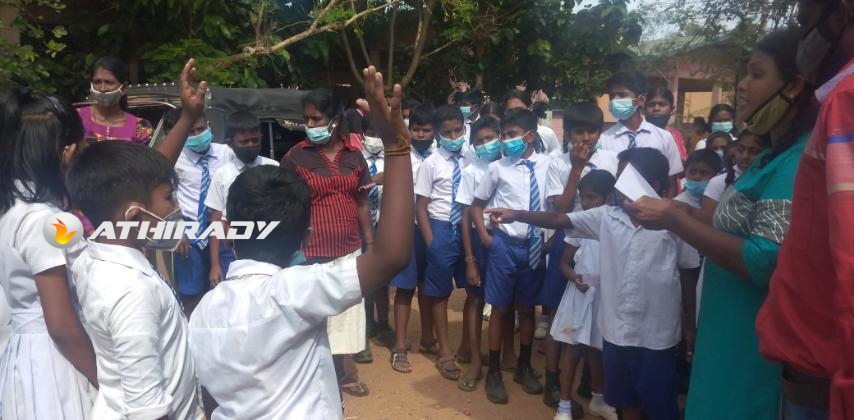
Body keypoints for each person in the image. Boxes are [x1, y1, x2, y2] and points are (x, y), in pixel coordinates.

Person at [187, 67, 414, 420]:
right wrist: (396, 145)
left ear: (231, 233)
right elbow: (393, 255)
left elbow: (209, 396)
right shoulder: (296, 292)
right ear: (306, 236)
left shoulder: (202, 311)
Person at [623, 28, 816, 420]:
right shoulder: (767, 158)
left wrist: (674, 219)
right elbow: (724, 226)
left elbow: (764, 259)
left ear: (794, 86)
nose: (742, 86)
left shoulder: (796, 162)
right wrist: (673, 210)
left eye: (757, 74)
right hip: (724, 330)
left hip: (752, 341)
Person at [488, 147, 700, 420]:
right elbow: (557, 219)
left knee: (659, 404)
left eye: (626, 177)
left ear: (655, 184)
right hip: (615, 331)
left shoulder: (675, 223)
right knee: (625, 401)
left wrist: (689, 324)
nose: (618, 185)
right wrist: (516, 214)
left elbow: (687, 273)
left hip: (657, 335)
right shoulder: (606, 217)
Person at [65, 58, 211, 420]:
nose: (176, 208)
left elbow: (148, 174)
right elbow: (147, 408)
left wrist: (187, 117)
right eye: (170, 199)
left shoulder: (92, 259)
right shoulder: (132, 292)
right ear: (133, 214)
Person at [756, 1, 854, 418]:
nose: (804, 40)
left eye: (805, 23)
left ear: (838, 16)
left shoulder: (846, 102)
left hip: (825, 374)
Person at [0, 87, 97, 419]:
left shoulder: (11, 208)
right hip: (58, 364)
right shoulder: (48, 221)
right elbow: (61, 324)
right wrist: (107, 380)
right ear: (66, 152)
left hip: (24, 354)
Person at [281, 88, 373, 398]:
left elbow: (362, 203)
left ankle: (342, 373)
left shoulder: (354, 156)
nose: (309, 124)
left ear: (334, 120)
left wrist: (370, 244)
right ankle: (313, 377)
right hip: (310, 253)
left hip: (349, 249)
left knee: (345, 315)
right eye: (306, 118)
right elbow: (286, 204)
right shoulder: (295, 157)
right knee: (313, 317)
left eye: (316, 118)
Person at [541, 101, 619, 413]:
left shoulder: (611, 159)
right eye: (579, 131)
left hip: (603, 242)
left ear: (600, 132)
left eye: (592, 131)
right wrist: (576, 168)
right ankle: (553, 380)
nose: (585, 137)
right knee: (559, 315)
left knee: (597, 316)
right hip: (568, 238)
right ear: (568, 133)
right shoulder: (557, 164)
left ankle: (593, 386)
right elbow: (560, 210)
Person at [470, 108, 550, 404]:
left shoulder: (548, 166)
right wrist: (485, 237)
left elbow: (555, 206)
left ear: (530, 136)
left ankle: (524, 365)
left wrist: (550, 240)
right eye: (504, 135)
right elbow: (476, 205)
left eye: (512, 135)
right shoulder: (498, 168)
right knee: (500, 309)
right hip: (504, 244)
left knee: (527, 309)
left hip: (534, 246)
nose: (505, 140)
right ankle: (494, 372)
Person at [551, 170, 618, 420]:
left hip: (605, 294)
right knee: (573, 348)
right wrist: (575, 278)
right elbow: (564, 264)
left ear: (608, 197)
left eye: (592, 197)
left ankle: (599, 399)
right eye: (583, 198)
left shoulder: (616, 224)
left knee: (597, 349)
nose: (586, 203)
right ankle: (564, 405)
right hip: (580, 294)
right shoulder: (579, 224)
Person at [415, 105, 471, 382]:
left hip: (467, 228)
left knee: (473, 287)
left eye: (457, 130)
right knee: (439, 292)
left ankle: (468, 345)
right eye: (447, 132)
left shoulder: (471, 158)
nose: (453, 136)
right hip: (440, 227)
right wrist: (431, 242)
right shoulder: (431, 163)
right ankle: (445, 350)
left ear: (464, 128)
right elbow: (421, 206)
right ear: (438, 133)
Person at [455, 115, 503, 392]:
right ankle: (474, 359)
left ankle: (506, 354)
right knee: (475, 298)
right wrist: (470, 258)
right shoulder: (472, 171)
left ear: (500, 137)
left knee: (504, 301)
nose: (486, 144)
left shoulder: (511, 166)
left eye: (490, 138)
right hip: (479, 238)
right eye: (480, 141)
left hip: (505, 238)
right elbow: (465, 217)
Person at [171, 107, 235, 316]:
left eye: (201, 129)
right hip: (189, 228)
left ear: (209, 126)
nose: (197, 135)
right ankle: (193, 328)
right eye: (191, 131)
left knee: (226, 286)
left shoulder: (226, 153)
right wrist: (176, 229)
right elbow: (168, 195)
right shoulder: (176, 158)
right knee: (191, 291)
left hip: (222, 227)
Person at [388, 103, 438, 374]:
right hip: (407, 228)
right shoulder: (402, 154)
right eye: (416, 129)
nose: (420, 134)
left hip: (433, 227)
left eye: (426, 130)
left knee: (429, 286)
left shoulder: (440, 156)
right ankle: (399, 345)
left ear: (434, 131)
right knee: (405, 287)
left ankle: (429, 338)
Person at [204, 110, 279, 287]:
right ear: (230, 144)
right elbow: (215, 221)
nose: (251, 145)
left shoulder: (273, 168)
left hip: (268, 245)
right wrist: (215, 265)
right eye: (244, 142)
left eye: (255, 140)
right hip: (231, 249)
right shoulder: (222, 175)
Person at [597, 70, 684, 196]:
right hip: (616, 205)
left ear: (641, 100)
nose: (615, 100)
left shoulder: (664, 137)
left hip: (654, 205)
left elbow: (672, 185)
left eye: (622, 95)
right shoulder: (604, 139)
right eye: (612, 96)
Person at [359, 118, 394, 359]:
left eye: (378, 134)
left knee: (382, 277)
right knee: (360, 277)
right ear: (363, 135)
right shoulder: (355, 159)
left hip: (384, 224)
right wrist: (373, 181)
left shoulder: (392, 159)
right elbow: (351, 190)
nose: (374, 139)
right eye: (370, 133)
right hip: (359, 226)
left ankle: (383, 324)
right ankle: (364, 325)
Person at [697, 131, 770, 225]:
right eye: (740, 150)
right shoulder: (719, 182)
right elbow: (709, 224)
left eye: (754, 152)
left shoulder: (773, 181)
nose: (745, 156)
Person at [77, 56, 153, 144]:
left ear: (124, 88)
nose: (102, 89)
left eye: (109, 82)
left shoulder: (140, 128)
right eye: (97, 82)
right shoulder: (76, 117)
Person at [504, 90, 562, 157]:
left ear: (530, 108)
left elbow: (557, 153)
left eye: (520, 109)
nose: (515, 113)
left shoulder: (546, 133)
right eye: (510, 111)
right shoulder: (501, 138)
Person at [644, 86, 688, 160]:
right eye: (652, 104)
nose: (656, 108)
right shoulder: (636, 133)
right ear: (644, 108)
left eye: (662, 104)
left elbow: (682, 162)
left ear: (671, 109)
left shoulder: (675, 135)